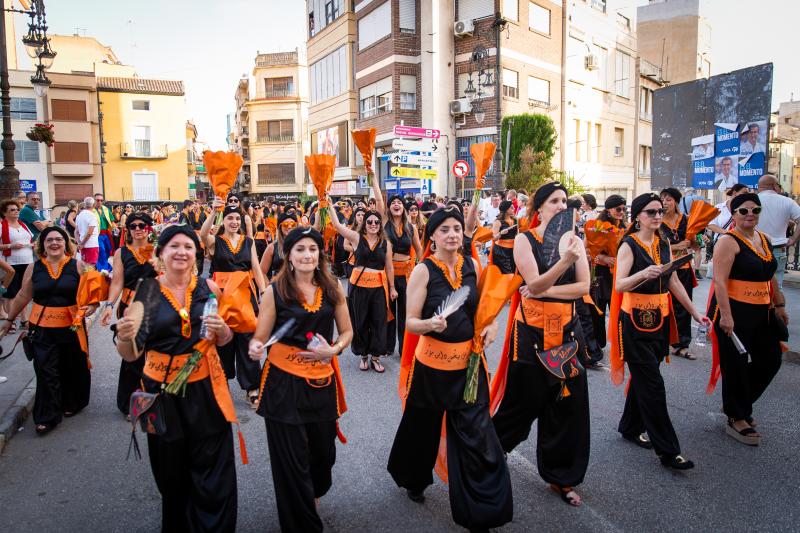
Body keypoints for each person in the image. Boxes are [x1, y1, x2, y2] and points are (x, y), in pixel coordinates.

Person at [387, 206, 512, 531]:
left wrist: (492, 327)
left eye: (457, 228)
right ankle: (413, 478)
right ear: (433, 236)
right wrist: (429, 323)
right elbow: (411, 322)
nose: (453, 234)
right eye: (445, 229)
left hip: (468, 367)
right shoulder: (423, 271)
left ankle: (481, 510)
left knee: (476, 434)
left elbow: (484, 311)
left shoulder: (473, 264)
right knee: (421, 429)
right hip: (431, 368)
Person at [114, 224, 241, 532]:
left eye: (187, 246)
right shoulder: (149, 291)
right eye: (174, 246)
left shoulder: (207, 288)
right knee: (171, 471)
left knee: (213, 466)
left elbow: (224, 339)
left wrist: (223, 330)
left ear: (196, 253)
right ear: (161, 253)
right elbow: (131, 354)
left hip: (205, 390)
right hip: (162, 395)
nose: (181, 251)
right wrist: (124, 337)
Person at [491, 182, 591, 506]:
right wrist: (563, 264)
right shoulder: (525, 239)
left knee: (568, 406)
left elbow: (583, 287)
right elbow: (532, 281)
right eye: (554, 201)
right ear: (539, 208)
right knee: (523, 403)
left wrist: (544, 290)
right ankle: (488, 456)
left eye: (565, 201)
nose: (561, 206)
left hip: (566, 331)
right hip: (532, 332)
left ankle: (561, 477)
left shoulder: (575, 241)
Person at [248, 226, 352, 532]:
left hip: (321, 381)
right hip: (282, 383)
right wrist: (256, 346)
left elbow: (346, 332)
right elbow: (261, 336)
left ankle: (312, 490)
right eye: (300, 250)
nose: (307, 255)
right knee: (290, 459)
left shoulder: (333, 288)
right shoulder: (274, 291)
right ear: (289, 256)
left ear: (320, 254)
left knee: (323, 452)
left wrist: (333, 350)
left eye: (312, 249)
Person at [609, 193, 711, 470]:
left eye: (659, 212)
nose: (656, 216)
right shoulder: (628, 245)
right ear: (638, 216)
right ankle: (668, 451)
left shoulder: (663, 242)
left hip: (659, 320)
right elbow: (619, 285)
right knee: (653, 385)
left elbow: (674, 280)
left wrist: (695, 313)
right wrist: (644, 274)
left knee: (646, 378)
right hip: (633, 321)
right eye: (650, 212)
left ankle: (630, 427)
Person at [708, 193, 786, 446]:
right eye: (743, 210)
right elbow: (719, 280)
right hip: (734, 312)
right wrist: (727, 316)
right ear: (734, 214)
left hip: (762, 311)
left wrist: (779, 303)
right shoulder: (728, 242)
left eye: (755, 209)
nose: (750, 214)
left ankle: (737, 402)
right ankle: (737, 416)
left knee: (771, 359)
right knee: (736, 365)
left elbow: (769, 274)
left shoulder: (764, 239)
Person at [0, 226, 93, 435]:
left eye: (58, 239)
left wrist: (93, 307)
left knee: (72, 366)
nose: (54, 243)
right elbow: (24, 295)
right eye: (49, 240)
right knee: (45, 369)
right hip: (42, 328)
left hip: (72, 327)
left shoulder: (78, 265)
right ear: (42, 244)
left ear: (65, 243)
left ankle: (71, 402)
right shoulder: (35, 268)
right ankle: (47, 416)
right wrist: (9, 319)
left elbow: (91, 294)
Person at [201, 200, 267, 408]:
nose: (234, 221)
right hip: (221, 298)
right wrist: (213, 211)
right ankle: (221, 382)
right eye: (230, 218)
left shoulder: (248, 242)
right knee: (222, 339)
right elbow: (203, 235)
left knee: (247, 338)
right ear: (224, 221)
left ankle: (252, 387)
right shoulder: (216, 241)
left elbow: (256, 268)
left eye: (237, 218)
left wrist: (264, 291)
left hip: (246, 297)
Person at [100, 213, 157, 417]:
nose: (138, 229)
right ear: (128, 229)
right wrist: (108, 305)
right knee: (132, 354)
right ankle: (130, 403)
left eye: (142, 225)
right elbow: (117, 282)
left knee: (154, 351)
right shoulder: (121, 253)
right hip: (129, 306)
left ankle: (153, 397)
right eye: (133, 226)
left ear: (148, 228)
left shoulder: (158, 249)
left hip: (154, 304)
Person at [328, 199, 395, 373]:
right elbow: (336, 225)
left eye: (376, 222)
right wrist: (327, 204)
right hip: (359, 287)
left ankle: (376, 356)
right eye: (370, 221)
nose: (373, 224)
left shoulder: (385, 243)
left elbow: (389, 266)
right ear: (364, 224)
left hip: (379, 288)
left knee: (379, 322)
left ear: (380, 225)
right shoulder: (357, 238)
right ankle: (363, 355)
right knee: (360, 321)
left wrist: (393, 288)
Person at [380, 191, 423, 358]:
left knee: (405, 313)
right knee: (389, 312)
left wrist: (426, 267)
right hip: (388, 273)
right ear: (389, 208)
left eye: (399, 202)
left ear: (403, 207)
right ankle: (387, 347)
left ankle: (404, 347)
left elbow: (419, 249)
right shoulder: (384, 225)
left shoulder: (411, 227)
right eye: (393, 203)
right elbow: (378, 199)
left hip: (407, 275)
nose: (396, 204)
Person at [588, 194, 626, 358]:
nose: (621, 212)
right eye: (618, 209)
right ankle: (596, 347)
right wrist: (603, 258)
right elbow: (587, 251)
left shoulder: (626, 226)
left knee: (620, 311)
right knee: (598, 312)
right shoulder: (597, 226)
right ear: (608, 210)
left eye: (624, 209)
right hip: (600, 275)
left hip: (619, 274)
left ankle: (621, 345)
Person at [660, 188, 696, 359]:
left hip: (684, 268)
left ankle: (681, 343)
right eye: (663, 199)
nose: (665, 203)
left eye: (668, 199)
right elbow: (656, 245)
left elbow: (694, 244)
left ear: (676, 201)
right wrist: (677, 246)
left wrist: (695, 242)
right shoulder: (657, 222)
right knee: (666, 305)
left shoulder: (686, 220)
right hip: (665, 268)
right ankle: (664, 339)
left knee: (684, 304)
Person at [756, 174, 800, 289]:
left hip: (754, 248)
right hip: (778, 248)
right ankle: (776, 306)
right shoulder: (788, 201)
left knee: (754, 284)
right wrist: (794, 239)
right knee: (776, 287)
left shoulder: (752, 201)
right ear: (774, 186)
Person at [0, 199, 34, 324]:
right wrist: (10, 246)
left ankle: (24, 319)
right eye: (12, 210)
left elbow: (29, 239)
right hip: (11, 263)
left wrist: (33, 244)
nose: (16, 212)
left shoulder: (23, 225)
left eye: (17, 209)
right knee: (11, 293)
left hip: (27, 261)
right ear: (5, 213)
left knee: (24, 292)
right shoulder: (1, 226)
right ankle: (11, 320)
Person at [707, 184, 749, 278]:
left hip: (741, 245)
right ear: (734, 192)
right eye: (744, 192)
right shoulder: (719, 207)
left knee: (737, 274)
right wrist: (726, 233)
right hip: (721, 245)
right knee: (720, 275)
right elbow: (710, 224)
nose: (747, 195)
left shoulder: (746, 209)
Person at [260, 213, 298, 281]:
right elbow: (262, 272)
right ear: (280, 227)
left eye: (293, 224)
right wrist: (267, 289)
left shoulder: (302, 246)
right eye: (285, 224)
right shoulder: (272, 247)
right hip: (278, 287)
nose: (289, 227)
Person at [491, 200, 517, 274]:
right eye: (511, 208)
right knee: (507, 273)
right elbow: (493, 238)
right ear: (506, 210)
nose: (514, 209)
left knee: (514, 271)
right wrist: (501, 233)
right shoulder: (498, 222)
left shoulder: (515, 220)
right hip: (501, 251)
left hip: (513, 250)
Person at [93, 193, 116, 272]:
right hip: (97, 235)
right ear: (94, 200)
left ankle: (102, 264)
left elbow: (112, 220)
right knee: (101, 251)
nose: (99, 202)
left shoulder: (105, 209)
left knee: (108, 250)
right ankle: (104, 269)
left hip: (106, 234)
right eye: (97, 200)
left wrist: (115, 228)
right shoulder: (91, 210)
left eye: (101, 200)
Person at [75, 197, 100, 267]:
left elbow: (76, 231)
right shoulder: (92, 215)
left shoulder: (79, 215)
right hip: (91, 244)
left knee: (84, 266)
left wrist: (79, 243)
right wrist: (82, 244)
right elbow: (89, 233)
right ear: (94, 205)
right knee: (91, 266)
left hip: (83, 244)